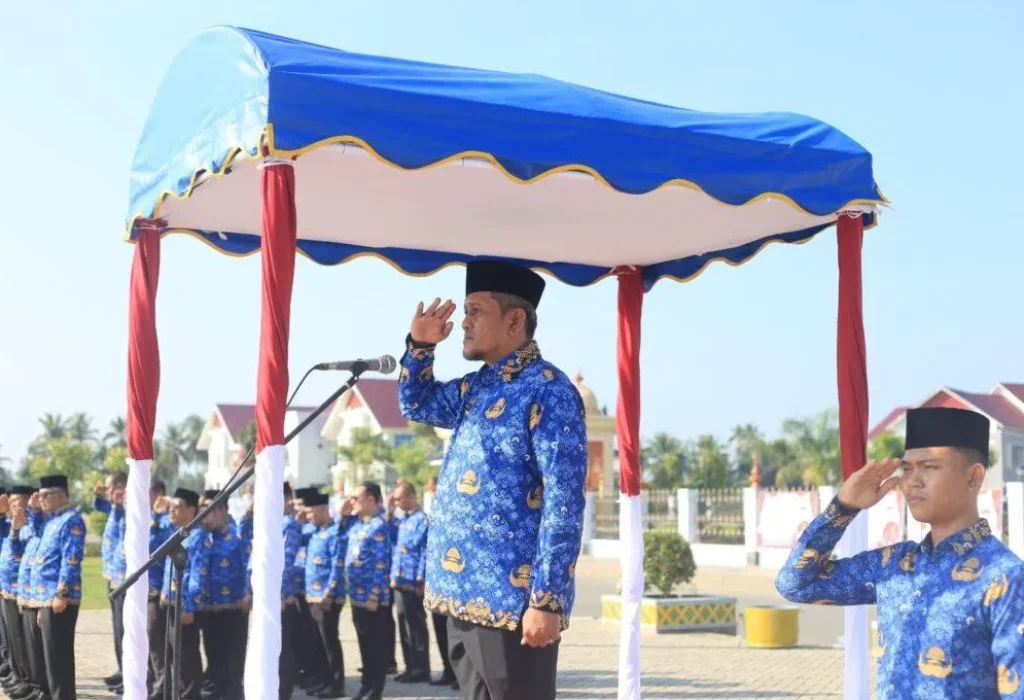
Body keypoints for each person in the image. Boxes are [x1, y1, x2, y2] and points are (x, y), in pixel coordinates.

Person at [397, 260, 588, 700]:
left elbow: (564, 501)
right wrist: (420, 348)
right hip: (456, 594)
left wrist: (547, 600)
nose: (463, 322)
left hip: (511, 601)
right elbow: (416, 404)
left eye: (476, 311)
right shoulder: (473, 388)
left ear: (515, 319)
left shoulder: (548, 390)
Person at [776, 407, 1024, 699]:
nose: (912, 481)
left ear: (974, 477)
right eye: (907, 469)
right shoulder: (893, 564)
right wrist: (843, 507)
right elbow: (795, 585)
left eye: (929, 467)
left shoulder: (1006, 579)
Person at [30, 475, 86, 700]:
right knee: (50, 659)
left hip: (59, 598)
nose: (41, 499)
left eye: (45, 495)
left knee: (59, 658)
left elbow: (71, 558)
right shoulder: (51, 520)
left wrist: (62, 593)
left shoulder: (71, 520)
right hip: (44, 598)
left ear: (61, 495)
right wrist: (34, 511)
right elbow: (35, 535)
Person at [157, 489, 207, 700]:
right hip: (171, 600)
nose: (172, 511)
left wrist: (189, 607)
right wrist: (163, 591)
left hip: (185, 604)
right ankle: (179, 693)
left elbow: (197, 575)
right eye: (171, 507)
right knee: (174, 652)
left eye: (176, 507)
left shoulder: (197, 536)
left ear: (191, 510)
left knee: (186, 654)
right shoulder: (178, 532)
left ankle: (189, 694)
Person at [345, 482, 392, 700]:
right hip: (357, 596)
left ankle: (375, 690)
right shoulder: (358, 525)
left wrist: (374, 595)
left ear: (371, 499)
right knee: (364, 644)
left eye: (356, 497)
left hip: (372, 599)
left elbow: (381, 565)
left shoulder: (378, 526)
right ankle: (366, 685)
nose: (351, 501)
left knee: (375, 646)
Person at [200, 494, 247, 700]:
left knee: (233, 659)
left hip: (234, 608)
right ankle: (218, 691)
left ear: (220, 510)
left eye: (205, 509)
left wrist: (249, 595)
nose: (201, 515)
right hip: (210, 608)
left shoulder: (238, 536)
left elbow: (250, 567)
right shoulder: (205, 537)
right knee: (214, 656)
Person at [303, 491, 349, 699]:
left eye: (311, 513)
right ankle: (323, 680)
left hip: (327, 598)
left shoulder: (335, 533)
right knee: (317, 642)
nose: (309, 517)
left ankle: (336, 684)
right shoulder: (314, 533)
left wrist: (328, 594)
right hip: (312, 596)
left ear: (322, 510)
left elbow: (337, 566)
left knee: (330, 641)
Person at [387, 483, 430, 684]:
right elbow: (390, 538)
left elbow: (424, 550)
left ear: (411, 496)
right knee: (403, 626)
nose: (396, 502)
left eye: (399, 498)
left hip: (413, 581)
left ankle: (421, 668)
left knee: (416, 626)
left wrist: (421, 578)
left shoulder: (422, 520)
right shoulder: (401, 521)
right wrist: (388, 512)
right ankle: (410, 666)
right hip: (399, 580)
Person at [0, 486, 37, 699]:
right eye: (10, 502)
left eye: (17, 502)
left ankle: (27, 680)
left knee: (22, 639)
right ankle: (18, 675)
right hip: (7, 588)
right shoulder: (10, 525)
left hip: (22, 591)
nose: (13, 506)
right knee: (12, 639)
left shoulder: (30, 526)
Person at [93, 471, 128, 693]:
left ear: (121, 486)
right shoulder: (115, 508)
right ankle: (122, 668)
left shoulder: (131, 507)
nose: (107, 493)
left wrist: (120, 502)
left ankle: (131, 673)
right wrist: (100, 498)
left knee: (127, 628)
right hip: (113, 576)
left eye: (109, 488)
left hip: (127, 578)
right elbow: (99, 507)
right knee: (117, 628)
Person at [16, 490, 45, 700]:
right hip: (22, 591)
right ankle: (30, 682)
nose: (13, 504)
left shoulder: (43, 523)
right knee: (23, 642)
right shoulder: (24, 525)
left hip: (40, 593)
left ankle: (41, 686)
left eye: (18, 500)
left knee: (38, 646)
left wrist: (33, 511)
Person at [147, 481, 173, 700]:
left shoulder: (167, 521)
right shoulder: (147, 517)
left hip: (157, 590)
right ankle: (152, 682)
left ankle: (162, 686)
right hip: (143, 589)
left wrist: (156, 517)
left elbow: (154, 545)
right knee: (146, 640)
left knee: (157, 642)